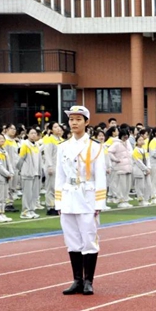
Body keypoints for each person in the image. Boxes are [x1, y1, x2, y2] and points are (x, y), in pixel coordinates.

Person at [56, 105, 107, 295]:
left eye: (78, 119)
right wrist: (59, 203)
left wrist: (99, 204)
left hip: (87, 197)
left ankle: (88, 281)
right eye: (71, 119)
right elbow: (59, 177)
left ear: (86, 122)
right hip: (69, 196)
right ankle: (77, 280)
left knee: (89, 240)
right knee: (72, 240)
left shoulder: (95, 147)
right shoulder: (63, 147)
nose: (74, 123)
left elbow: (101, 176)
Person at [17, 127, 42, 219]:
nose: (34, 135)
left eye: (35, 133)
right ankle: (25, 211)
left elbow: (39, 160)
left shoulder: (37, 145)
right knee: (27, 194)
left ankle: (31, 210)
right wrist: (21, 169)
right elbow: (21, 159)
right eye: (31, 133)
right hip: (27, 173)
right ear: (27, 134)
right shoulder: (25, 145)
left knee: (34, 194)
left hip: (36, 173)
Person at [43, 122, 64, 215]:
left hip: (60, 167)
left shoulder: (62, 140)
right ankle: (50, 206)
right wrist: (49, 166)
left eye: (59, 127)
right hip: (52, 166)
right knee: (50, 187)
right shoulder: (49, 139)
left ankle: (57, 205)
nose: (58, 128)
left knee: (58, 187)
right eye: (55, 127)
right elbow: (47, 154)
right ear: (51, 130)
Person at [131, 134, 151, 206]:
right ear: (136, 141)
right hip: (139, 170)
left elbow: (148, 159)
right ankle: (140, 200)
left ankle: (145, 199)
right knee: (140, 186)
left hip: (146, 170)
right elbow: (138, 162)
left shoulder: (144, 150)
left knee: (147, 185)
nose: (141, 141)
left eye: (142, 139)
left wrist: (148, 168)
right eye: (139, 140)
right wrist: (145, 168)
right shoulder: (135, 150)